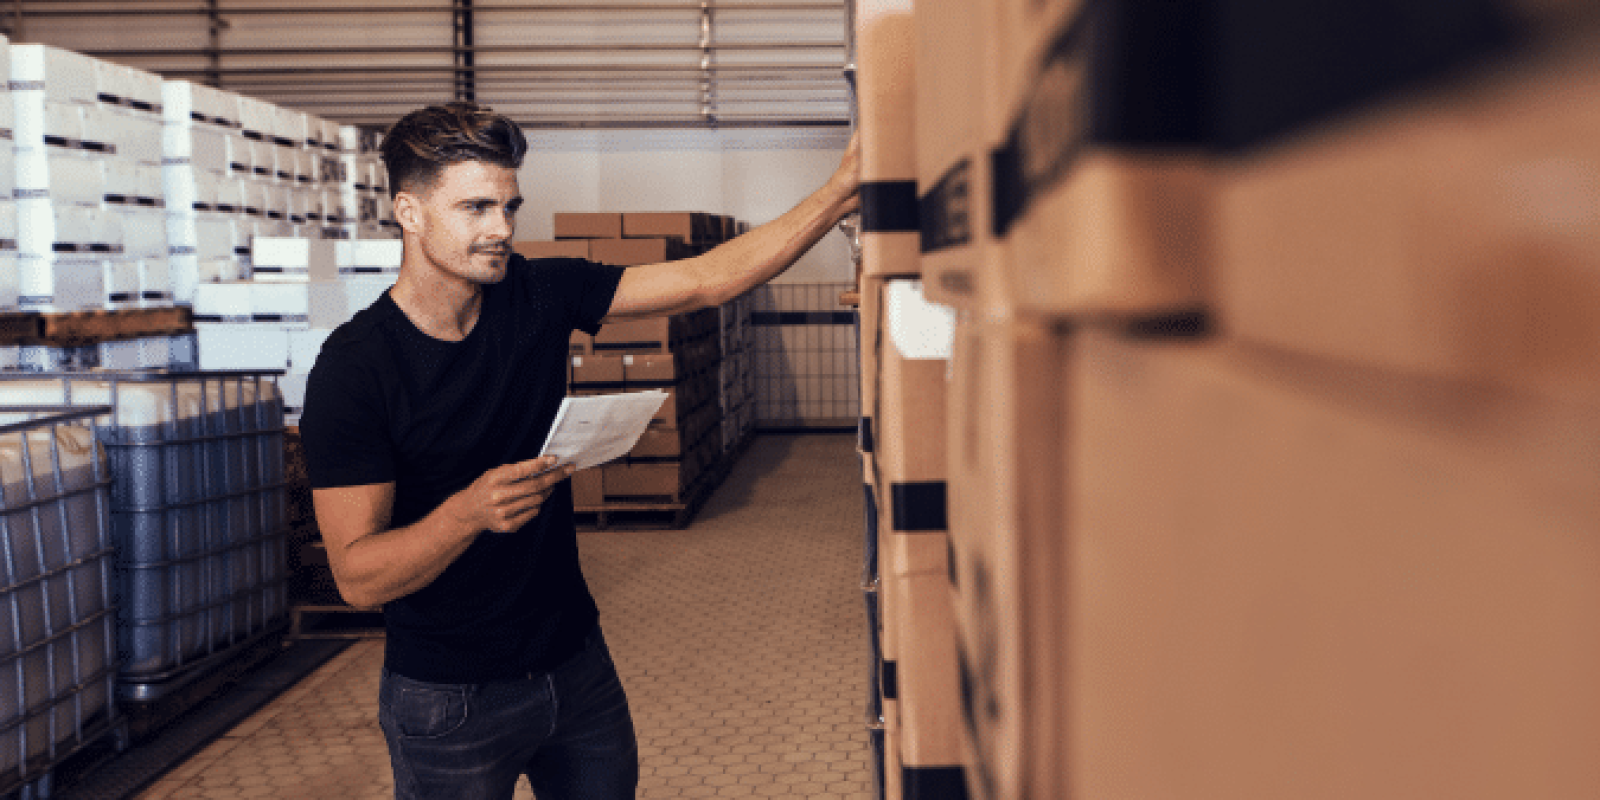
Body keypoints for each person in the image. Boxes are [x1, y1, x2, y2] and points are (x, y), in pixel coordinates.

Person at [298, 101, 859, 800]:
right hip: (449, 701)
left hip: (577, 665)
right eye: (476, 208)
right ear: (409, 213)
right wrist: (466, 514)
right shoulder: (355, 369)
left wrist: (841, 192)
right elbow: (356, 577)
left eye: (510, 206)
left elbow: (708, 277)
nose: (502, 229)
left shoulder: (536, 292)